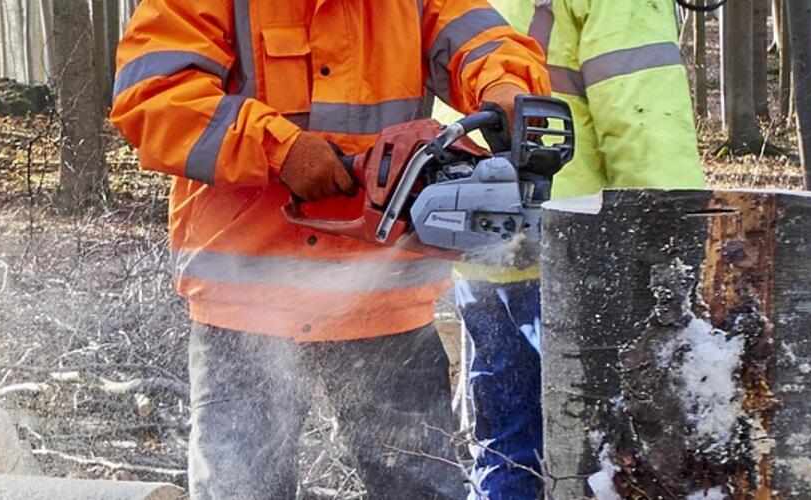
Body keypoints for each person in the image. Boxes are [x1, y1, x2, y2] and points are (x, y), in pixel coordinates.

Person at [107, 1, 552, 498]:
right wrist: (279, 148)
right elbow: (153, 96)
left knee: (420, 487)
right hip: (247, 306)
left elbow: (484, 42)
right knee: (242, 489)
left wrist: (507, 87)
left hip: (384, 301)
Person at [442, 0, 707, 498]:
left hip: (481, 240)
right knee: (605, 455)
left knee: (505, 447)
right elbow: (643, 121)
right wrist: (676, 245)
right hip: (578, 253)